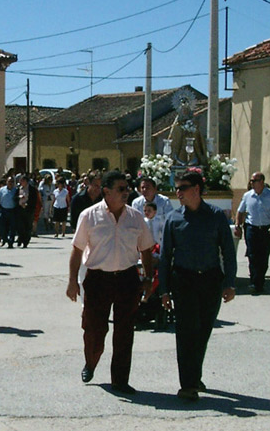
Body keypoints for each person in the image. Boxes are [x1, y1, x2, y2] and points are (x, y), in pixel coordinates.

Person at [67, 169, 154, 395]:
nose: (126, 193)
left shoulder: (135, 217)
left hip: (127, 278)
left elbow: (146, 249)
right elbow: (77, 250)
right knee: (94, 329)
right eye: (121, 189)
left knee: (125, 331)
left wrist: (147, 278)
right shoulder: (89, 216)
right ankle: (91, 362)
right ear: (106, 191)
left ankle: (120, 380)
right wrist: (72, 281)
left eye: (127, 189)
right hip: (98, 279)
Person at [160, 170, 237, 402]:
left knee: (203, 331)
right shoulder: (173, 219)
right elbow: (165, 256)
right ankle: (188, 385)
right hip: (184, 281)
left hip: (210, 280)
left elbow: (228, 251)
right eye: (176, 188)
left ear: (196, 189)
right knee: (186, 333)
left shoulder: (215, 216)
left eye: (182, 188)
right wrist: (164, 290)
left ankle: (195, 375)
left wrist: (230, 283)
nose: (178, 193)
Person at [234, 172, 270, 295]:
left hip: (266, 229)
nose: (251, 183)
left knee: (263, 256)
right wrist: (238, 225)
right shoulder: (248, 195)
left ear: (261, 181)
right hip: (252, 228)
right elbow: (240, 211)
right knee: (252, 255)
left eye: (254, 181)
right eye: (251, 180)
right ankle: (254, 283)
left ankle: (259, 281)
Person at [131, 176, 172, 244]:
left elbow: (169, 220)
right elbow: (134, 222)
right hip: (143, 241)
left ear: (155, 188)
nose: (144, 190)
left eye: (147, 187)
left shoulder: (164, 201)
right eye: (142, 187)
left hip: (161, 241)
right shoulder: (136, 203)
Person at [15, 174, 39, 248]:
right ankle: (20, 239)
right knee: (20, 226)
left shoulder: (32, 189)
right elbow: (14, 198)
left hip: (29, 210)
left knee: (28, 226)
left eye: (22, 181)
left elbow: (34, 200)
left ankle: (25, 242)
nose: (20, 182)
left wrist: (27, 204)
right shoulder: (18, 188)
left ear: (26, 181)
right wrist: (19, 197)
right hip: (20, 209)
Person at [0, 175, 18, 248]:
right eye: (9, 181)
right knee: (2, 227)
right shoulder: (2, 189)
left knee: (12, 228)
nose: (10, 183)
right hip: (3, 210)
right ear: (6, 182)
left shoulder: (16, 190)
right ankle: (5, 239)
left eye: (12, 181)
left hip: (12, 210)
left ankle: (11, 242)